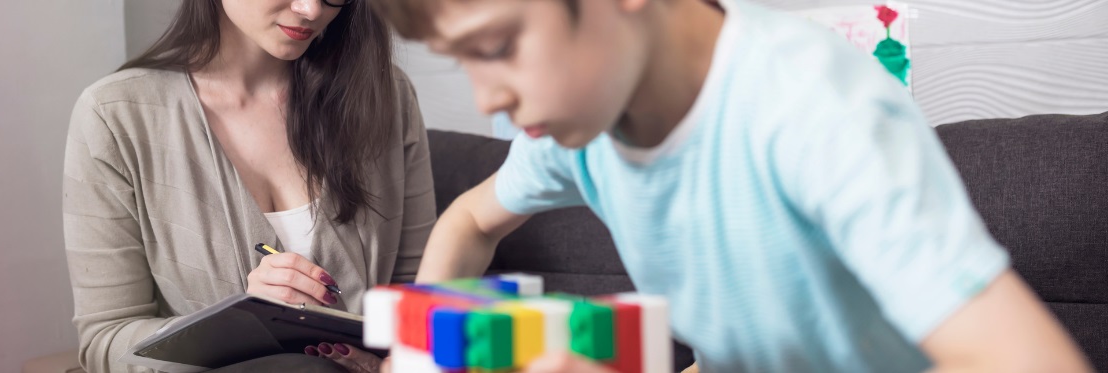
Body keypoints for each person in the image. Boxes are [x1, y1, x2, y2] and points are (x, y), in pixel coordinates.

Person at [368, 0, 1093, 372]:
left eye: (495, 48)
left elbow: (1033, 360)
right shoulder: (584, 126)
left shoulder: (811, 112)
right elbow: (469, 221)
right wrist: (419, 346)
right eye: (458, 60)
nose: (485, 97)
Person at [62, 0, 435, 371]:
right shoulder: (115, 116)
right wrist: (237, 326)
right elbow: (105, 340)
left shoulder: (386, 96)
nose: (310, 10)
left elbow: (424, 291)